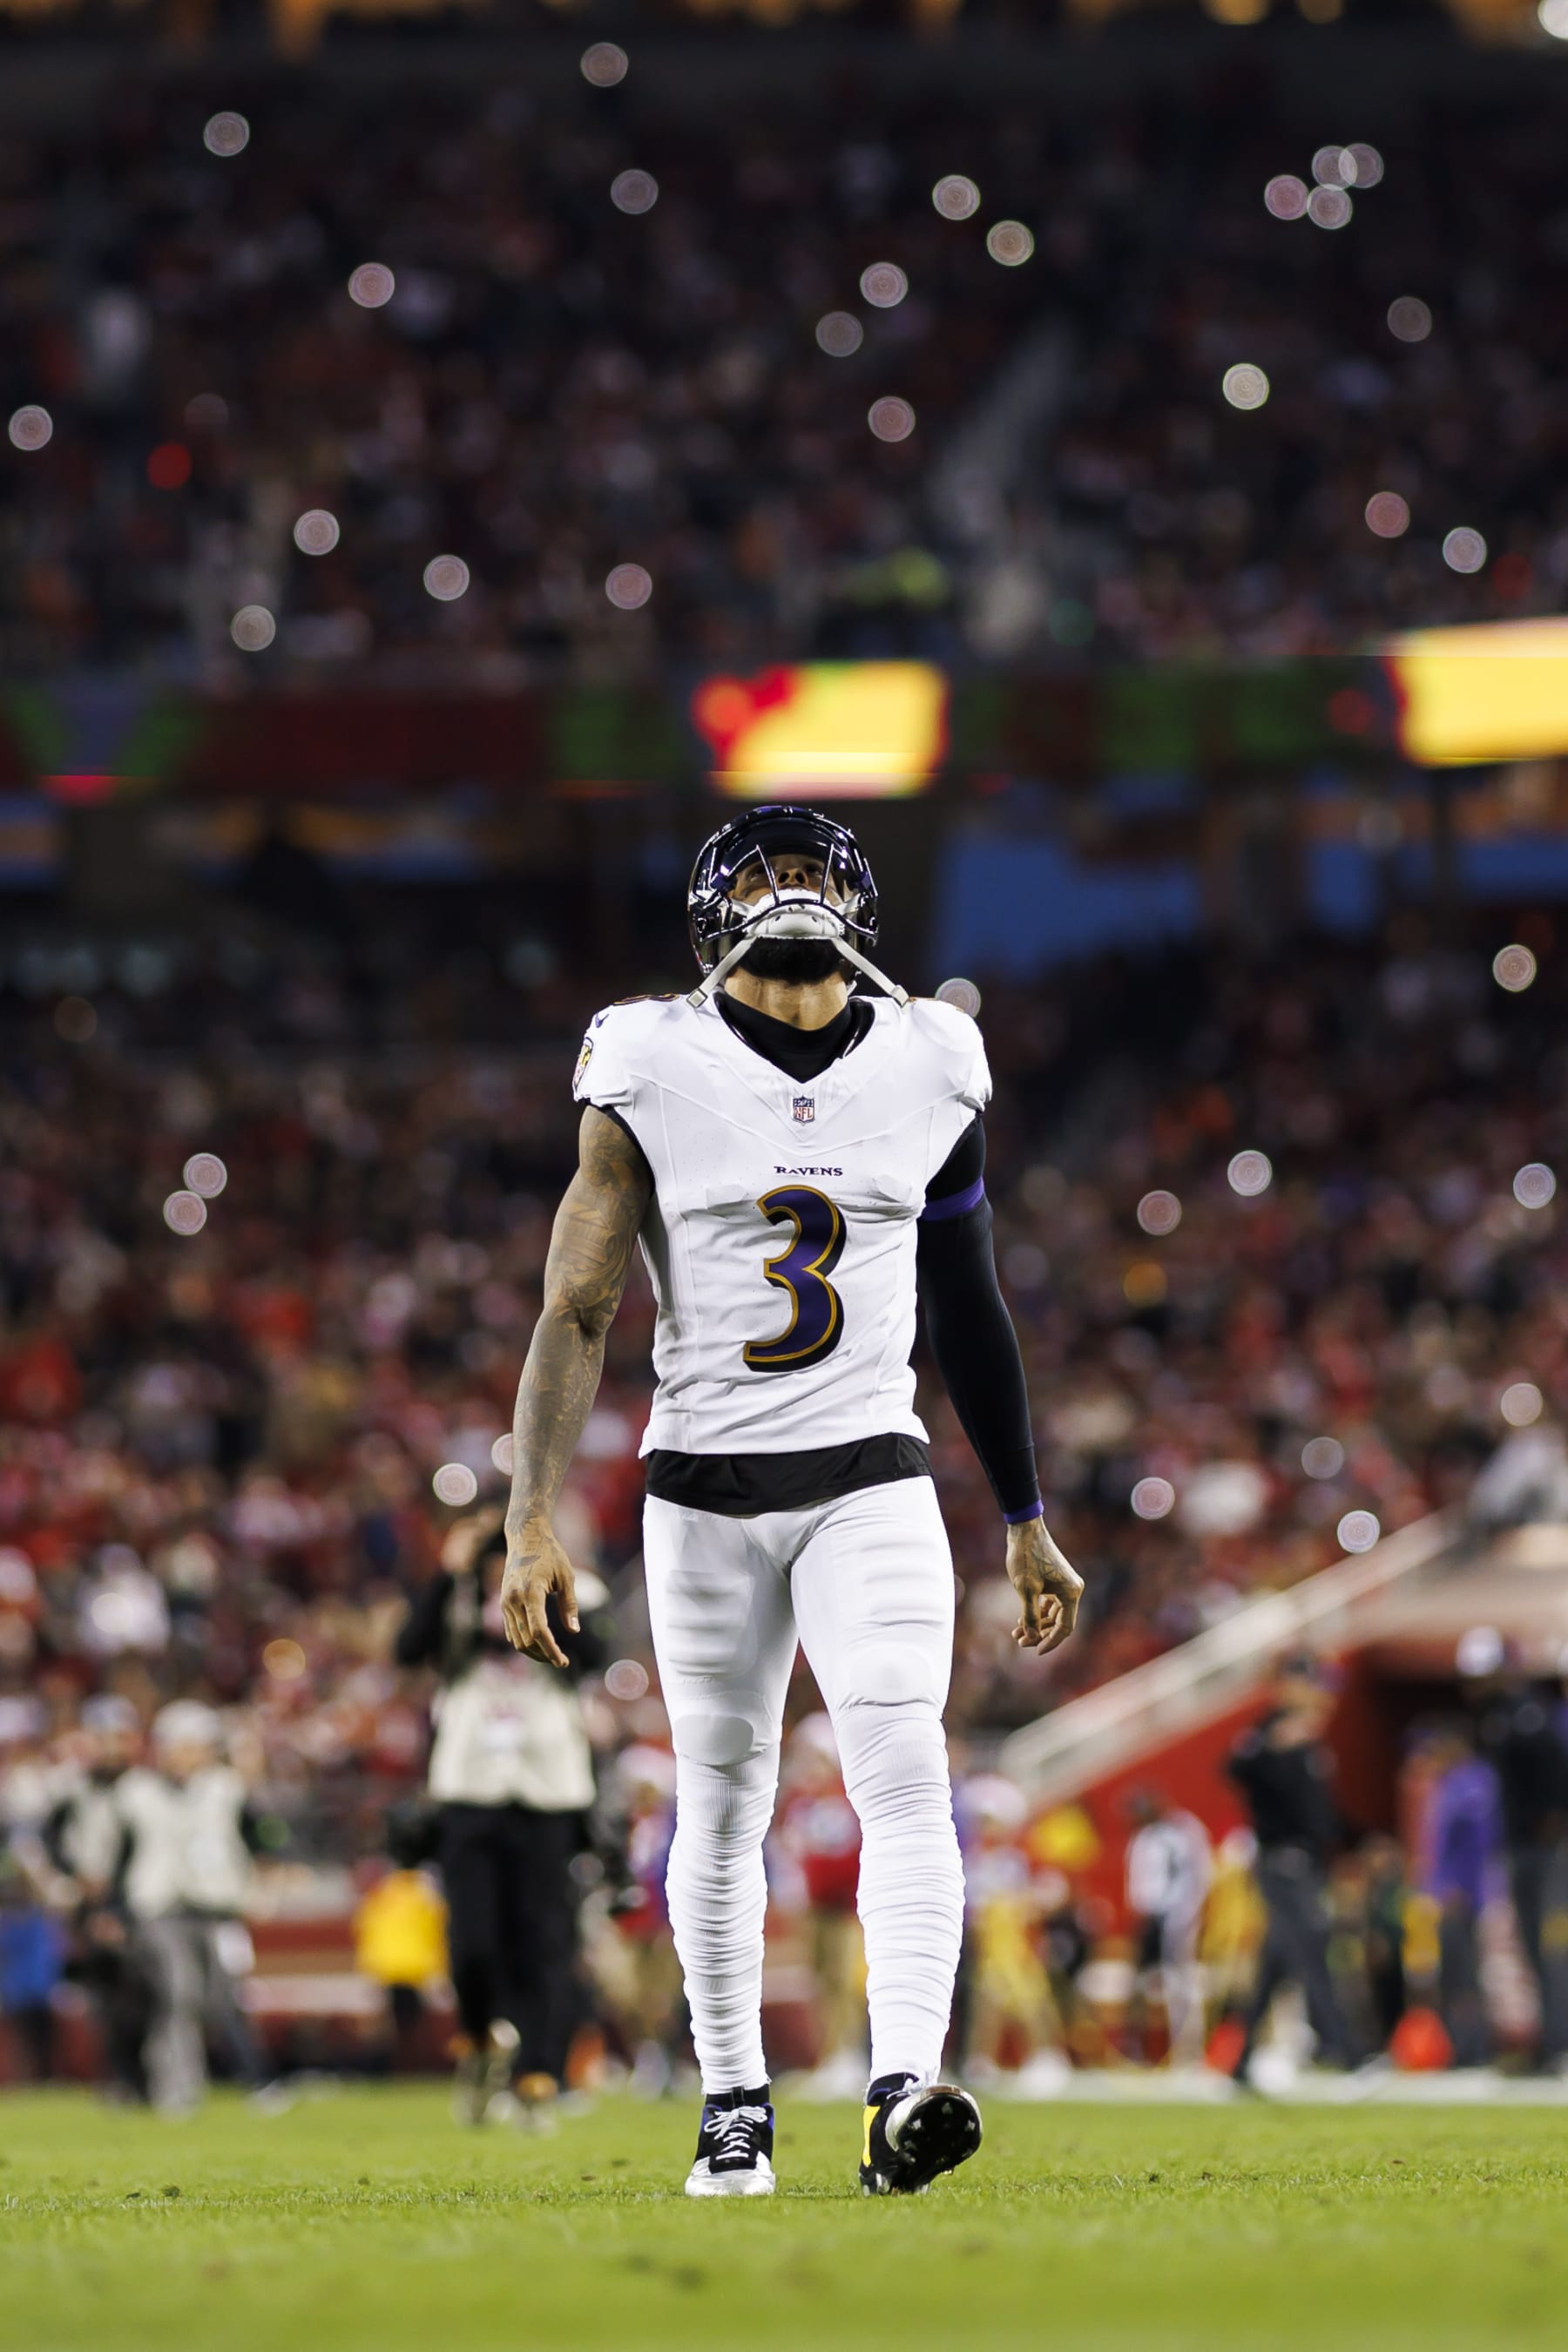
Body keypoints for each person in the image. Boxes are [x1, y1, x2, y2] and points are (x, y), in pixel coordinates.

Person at [497, 805, 1084, 2197]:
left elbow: (970, 1300)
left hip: (869, 1480)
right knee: (721, 1799)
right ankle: (735, 2106)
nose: (794, 893)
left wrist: (1024, 1511)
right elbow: (576, 1306)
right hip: (700, 1493)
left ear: (863, 904)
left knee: (905, 1778)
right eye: (765, 873)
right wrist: (529, 1513)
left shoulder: (932, 1056)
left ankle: (904, 2090)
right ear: (709, 913)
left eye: (818, 869)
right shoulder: (647, 1055)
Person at [395, 1504, 612, 2126]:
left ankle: (539, 2073)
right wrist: (448, 1576)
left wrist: (544, 1593)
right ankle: (482, 2035)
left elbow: (594, 1653)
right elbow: (408, 1649)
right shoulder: (458, 1598)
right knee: (473, 1942)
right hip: (468, 1788)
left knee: (544, 1937)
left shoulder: (573, 1587)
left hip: (547, 1789)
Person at [112, 1701, 268, 2115]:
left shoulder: (226, 1789)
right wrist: (115, 1909)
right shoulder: (135, 1791)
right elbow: (122, 1856)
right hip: (159, 1906)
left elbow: (262, 1837)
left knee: (219, 1998)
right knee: (177, 1992)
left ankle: (252, 2080)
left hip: (215, 1908)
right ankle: (177, 2086)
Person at [1226, 1657, 1357, 2079]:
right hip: (1282, 1861)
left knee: (1277, 1962)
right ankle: (1344, 2050)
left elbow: (1319, 1812)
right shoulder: (1271, 1731)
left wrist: (1358, 1842)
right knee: (1312, 1948)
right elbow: (1235, 1768)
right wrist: (1272, 1747)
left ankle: (1241, 2060)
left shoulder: (1311, 1741)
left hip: (1307, 1861)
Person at [1420, 1723, 1503, 2068]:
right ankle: (1458, 2047)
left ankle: (1475, 2048)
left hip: (1463, 1896)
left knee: (1465, 1975)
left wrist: (1462, 1888)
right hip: (1448, 1894)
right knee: (1452, 1975)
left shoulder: (1474, 1783)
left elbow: (1478, 1846)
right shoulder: (1452, 1783)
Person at [1124, 1788, 1213, 2065]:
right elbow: (1140, 1883)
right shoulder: (1143, 1837)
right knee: (1140, 1984)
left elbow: (1199, 1873)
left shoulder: (1183, 1830)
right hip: (1150, 1919)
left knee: (1182, 1984)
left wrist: (1186, 1914)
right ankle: (1138, 2048)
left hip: (1179, 1918)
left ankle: (1188, 2050)